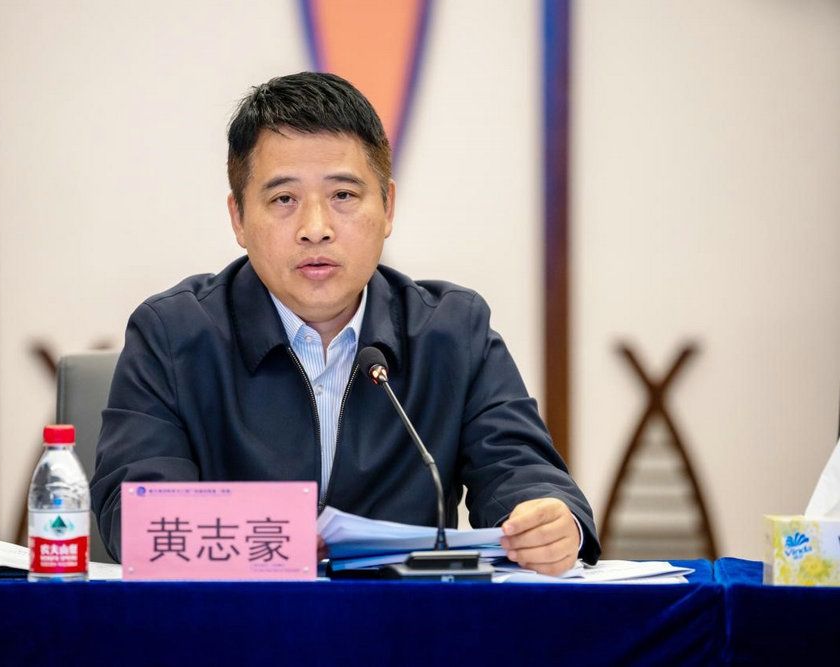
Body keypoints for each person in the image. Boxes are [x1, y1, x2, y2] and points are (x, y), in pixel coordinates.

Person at [91, 72, 600, 574]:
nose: (316, 229)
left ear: (388, 207)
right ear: (239, 218)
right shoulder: (173, 335)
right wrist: (285, 539)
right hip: (234, 618)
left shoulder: (451, 332)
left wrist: (548, 522)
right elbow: (136, 514)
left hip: (402, 622)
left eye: (343, 196)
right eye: (284, 199)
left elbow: (520, 470)